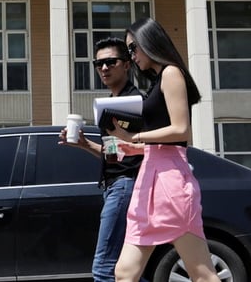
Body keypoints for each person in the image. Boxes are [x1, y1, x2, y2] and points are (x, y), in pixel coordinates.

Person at [110, 18, 221, 282]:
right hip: (149, 181)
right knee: (124, 273)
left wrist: (135, 137)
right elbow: (159, 143)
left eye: (133, 48)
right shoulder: (157, 81)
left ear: (149, 42)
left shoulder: (171, 73)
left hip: (169, 183)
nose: (132, 56)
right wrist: (134, 146)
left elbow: (181, 130)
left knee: (202, 275)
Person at [59, 37, 145, 282]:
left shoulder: (133, 102)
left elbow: (140, 149)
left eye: (110, 62)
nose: (104, 68)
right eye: (99, 64)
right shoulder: (112, 104)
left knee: (104, 268)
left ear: (127, 65)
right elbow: (115, 154)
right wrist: (84, 144)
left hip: (124, 186)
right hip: (115, 187)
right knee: (124, 271)